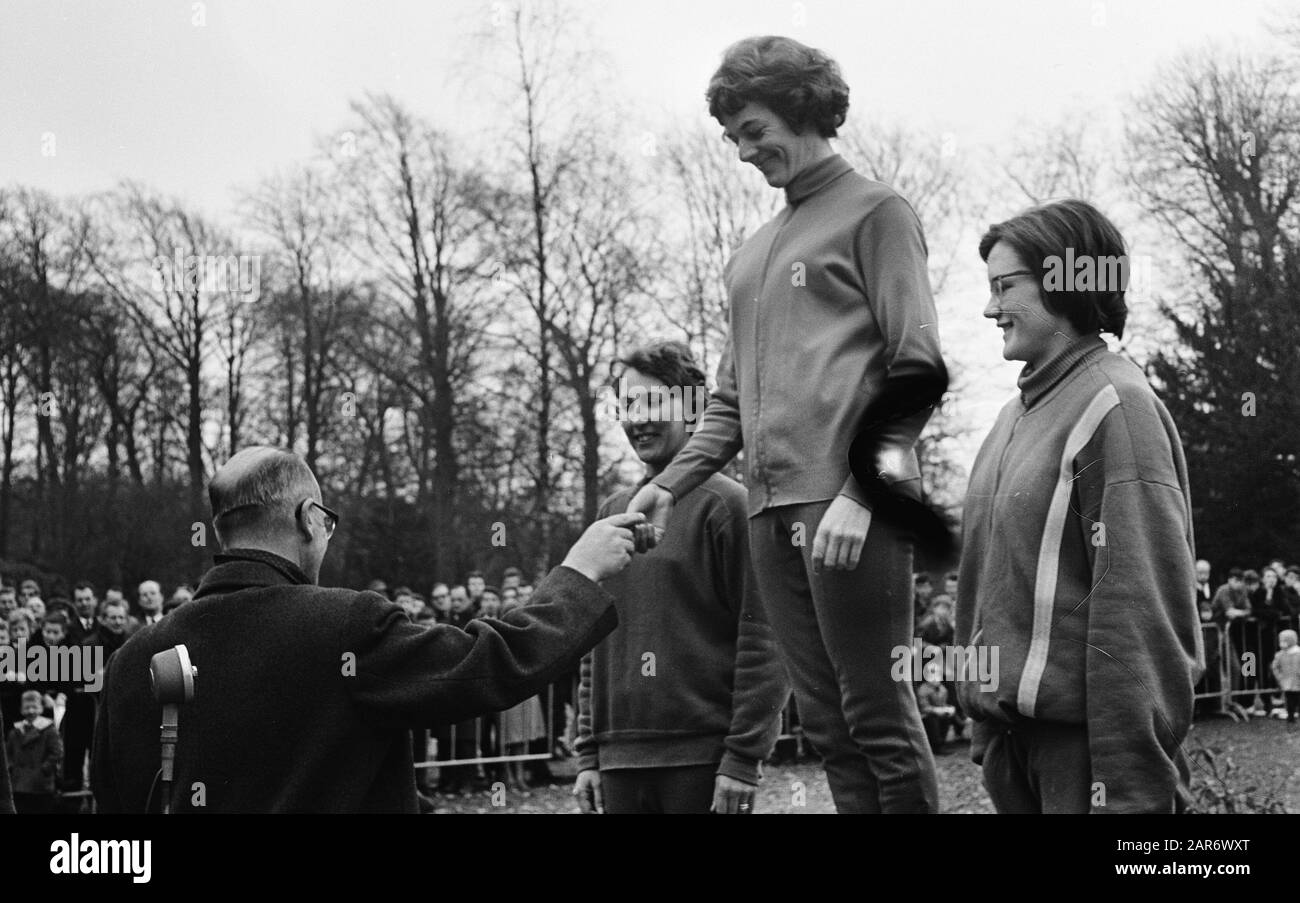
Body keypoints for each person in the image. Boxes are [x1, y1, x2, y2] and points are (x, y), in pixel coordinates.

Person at [626, 35, 944, 814]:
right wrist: (667, 485)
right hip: (771, 515)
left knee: (879, 717)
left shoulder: (878, 212)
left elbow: (918, 368)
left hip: (852, 507)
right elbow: (730, 404)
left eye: (754, 130)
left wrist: (864, 492)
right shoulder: (751, 253)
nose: (742, 151)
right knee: (830, 726)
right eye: (731, 136)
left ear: (803, 109)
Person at [91, 446, 645, 813]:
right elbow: (494, 661)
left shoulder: (131, 661)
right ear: (310, 517)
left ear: (220, 529)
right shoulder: (345, 625)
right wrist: (579, 573)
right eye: (326, 523)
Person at [956, 199, 1202, 813]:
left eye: (1005, 287)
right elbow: (985, 588)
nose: (990, 308)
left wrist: (1130, 790)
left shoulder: (1115, 404)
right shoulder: (1010, 417)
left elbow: (1139, 615)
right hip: (1015, 755)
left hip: (1089, 764)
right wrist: (988, 729)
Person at [575, 342, 789, 815]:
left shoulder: (730, 505)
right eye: (627, 405)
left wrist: (742, 758)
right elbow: (594, 639)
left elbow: (765, 637)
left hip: (702, 761)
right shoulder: (613, 511)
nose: (636, 419)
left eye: (652, 402)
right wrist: (589, 751)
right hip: (617, 763)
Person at [7, 690, 63, 814]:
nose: (31, 711)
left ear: (41, 709)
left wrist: (44, 769)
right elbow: (8, 754)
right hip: (19, 785)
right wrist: (12, 769)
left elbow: (57, 753)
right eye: (27, 707)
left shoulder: (49, 730)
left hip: (40, 785)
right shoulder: (15, 732)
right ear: (21, 710)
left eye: (34, 707)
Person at [915, 659, 955, 754]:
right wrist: (937, 710)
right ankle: (935, 746)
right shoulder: (923, 690)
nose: (935, 678)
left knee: (947, 717)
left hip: (937, 713)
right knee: (932, 720)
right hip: (925, 716)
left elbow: (943, 704)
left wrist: (948, 708)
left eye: (938, 675)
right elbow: (924, 708)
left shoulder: (942, 689)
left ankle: (941, 743)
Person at [1271, 629, 1300, 724]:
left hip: (1297, 681)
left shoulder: (1298, 653)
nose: (1282, 643)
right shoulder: (1280, 655)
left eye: (1285, 641)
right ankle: (1290, 716)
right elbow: (1275, 667)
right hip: (1287, 683)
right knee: (1290, 700)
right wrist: (1280, 678)